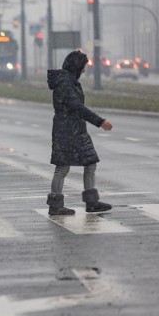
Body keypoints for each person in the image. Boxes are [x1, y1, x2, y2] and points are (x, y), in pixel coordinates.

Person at [46, 50, 113, 216]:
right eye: (83, 66)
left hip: (76, 130)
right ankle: (55, 204)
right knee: (62, 167)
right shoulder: (65, 84)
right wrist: (99, 121)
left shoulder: (69, 81)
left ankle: (92, 202)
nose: (84, 70)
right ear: (77, 66)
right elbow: (77, 107)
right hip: (66, 131)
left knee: (90, 163)